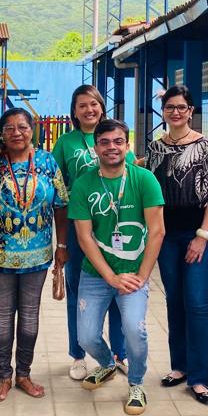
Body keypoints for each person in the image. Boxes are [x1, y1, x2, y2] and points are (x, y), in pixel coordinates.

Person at [0, 108, 69, 402]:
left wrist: (62, 246)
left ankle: (24, 373)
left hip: (37, 254)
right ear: (1, 133)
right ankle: (3, 377)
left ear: (32, 129)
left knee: (31, 316)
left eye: (22, 127)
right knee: (3, 315)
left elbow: (61, 204)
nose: (16, 133)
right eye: (9, 128)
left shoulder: (47, 161)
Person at [69, 119, 165, 415]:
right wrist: (110, 276)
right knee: (85, 337)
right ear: (96, 147)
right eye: (105, 142)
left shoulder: (144, 179)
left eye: (118, 141)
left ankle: (136, 382)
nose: (112, 147)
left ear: (127, 145)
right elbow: (84, 237)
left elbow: (157, 230)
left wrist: (141, 277)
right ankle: (108, 364)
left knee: (135, 331)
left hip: (135, 274)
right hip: (97, 274)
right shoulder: (85, 183)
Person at [146, 85, 208, 405]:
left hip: (198, 234)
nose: (176, 112)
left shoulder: (206, 147)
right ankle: (179, 366)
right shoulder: (155, 148)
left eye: (182, 107)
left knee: (195, 302)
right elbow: (150, 190)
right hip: (167, 236)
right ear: (163, 112)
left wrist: (202, 236)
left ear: (191, 111)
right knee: (174, 301)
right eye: (170, 107)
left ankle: (199, 377)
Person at [51, 85, 131, 381]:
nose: (89, 110)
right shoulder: (66, 143)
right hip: (78, 227)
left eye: (94, 104)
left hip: (114, 227)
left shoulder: (116, 138)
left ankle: (119, 354)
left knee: (118, 288)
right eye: (82, 105)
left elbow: (131, 177)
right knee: (78, 292)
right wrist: (60, 239)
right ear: (74, 111)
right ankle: (78, 354)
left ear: (102, 107)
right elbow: (57, 189)